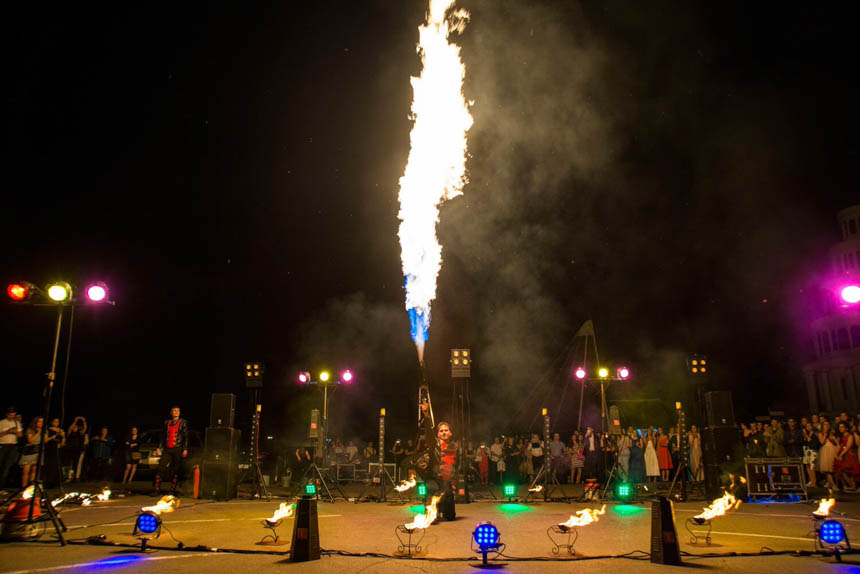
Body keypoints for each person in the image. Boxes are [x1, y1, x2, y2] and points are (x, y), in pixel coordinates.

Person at [417, 402, 457, 521]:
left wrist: (453, 480)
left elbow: (455, 466)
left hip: (445, 479)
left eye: (446, 430)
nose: (444, 432)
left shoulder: (454, 447)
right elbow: (429, 432)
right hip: (432, 477)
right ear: (438, 434)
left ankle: (443, 509)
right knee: (431, 488)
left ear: (450, 433)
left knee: (450, 516)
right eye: (441, 431)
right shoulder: (434, 444)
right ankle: (431, 513)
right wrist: (426, 415)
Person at [154, 406, 189, 495]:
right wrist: (159, 448)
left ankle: (172, 490)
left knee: (176, 469)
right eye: (174, 410)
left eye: (178, 410)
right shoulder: (167, 422)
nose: (176, 412)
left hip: (177, 448)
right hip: (167, 449)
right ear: (171, 412)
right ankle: (156, 489)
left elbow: (185, 436)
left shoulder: (183, 422)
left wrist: (185, 449)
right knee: (161, 468)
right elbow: (163, 436)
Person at [0, 407, 23, 492]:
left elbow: (20, 435)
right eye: (10, 415)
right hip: (2, 445)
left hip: (12, 446)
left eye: (13, 415)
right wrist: (8, 431)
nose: (12, 416)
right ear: (7, 414)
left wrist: (16, 432)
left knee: (7, 466)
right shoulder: (2, 423)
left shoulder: (16, 423)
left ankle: (1, 487)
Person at [833, 422, 860, 491]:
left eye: (842, 427)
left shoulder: (850, 436)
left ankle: (854, 486)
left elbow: (848, 447)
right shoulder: (841, 436)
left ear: (846, 428)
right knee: (843, 471)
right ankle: (852, 486)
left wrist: (840, 454)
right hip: (843, 455)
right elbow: (840, 446)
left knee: (850, 471)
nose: (840, 429)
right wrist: (836, 454)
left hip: (849, 455)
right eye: (839, 427)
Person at [20, 417, 44, 487]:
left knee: (34, 470)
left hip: (38, 451)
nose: (41, 423)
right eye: (39, 422)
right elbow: (30, 440)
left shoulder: (44, 430)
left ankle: (31, 487)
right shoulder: (30, 430)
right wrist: (38, 433)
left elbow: (44, 441)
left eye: (42, 422)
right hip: (29, 451)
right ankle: (24, 486)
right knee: (26, 470)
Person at [64, 417, 88, 482]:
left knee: (75, 464)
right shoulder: (70, 433)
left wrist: (84, 421)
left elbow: (85, 428)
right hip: (69, 450)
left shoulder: (80, 434)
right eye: (74, 427)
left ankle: (74, 477)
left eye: (76, 427)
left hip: (76, 451)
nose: (75, 428)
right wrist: (75, 421)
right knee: (67, 464)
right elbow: (70, 428)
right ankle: (66, 477)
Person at [44, 418, 65, 487]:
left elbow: (63, 438)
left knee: (57, 465)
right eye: (55, 421)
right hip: (50, 448)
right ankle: (48, 481)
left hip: (57, 448)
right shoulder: (48, 429)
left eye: (58, 421)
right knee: (50, 465)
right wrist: (52, 438)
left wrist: (62, 442)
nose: (56, 423)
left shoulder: (61, 430)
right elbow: (45, 440)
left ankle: (56, 481)